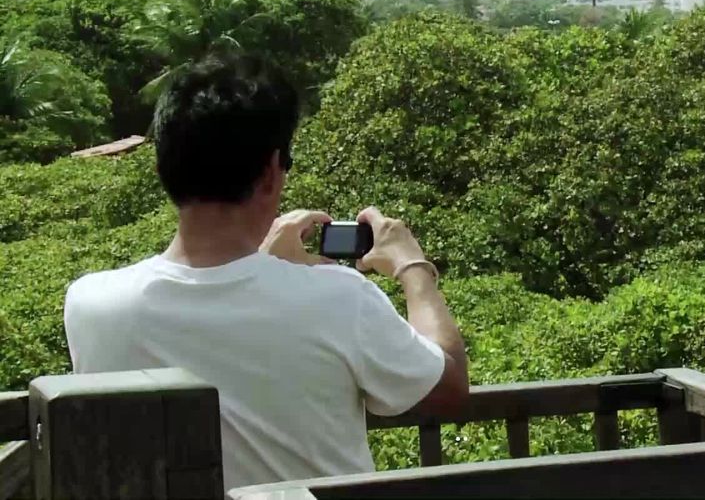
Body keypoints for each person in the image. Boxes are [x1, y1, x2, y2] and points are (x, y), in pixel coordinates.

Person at [63, 55, 468, 491]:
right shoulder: (338, 298)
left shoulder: (90, 303)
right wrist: (413, 268)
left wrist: (264, 263)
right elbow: (447, 387)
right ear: (273, 172)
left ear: (164, 165)